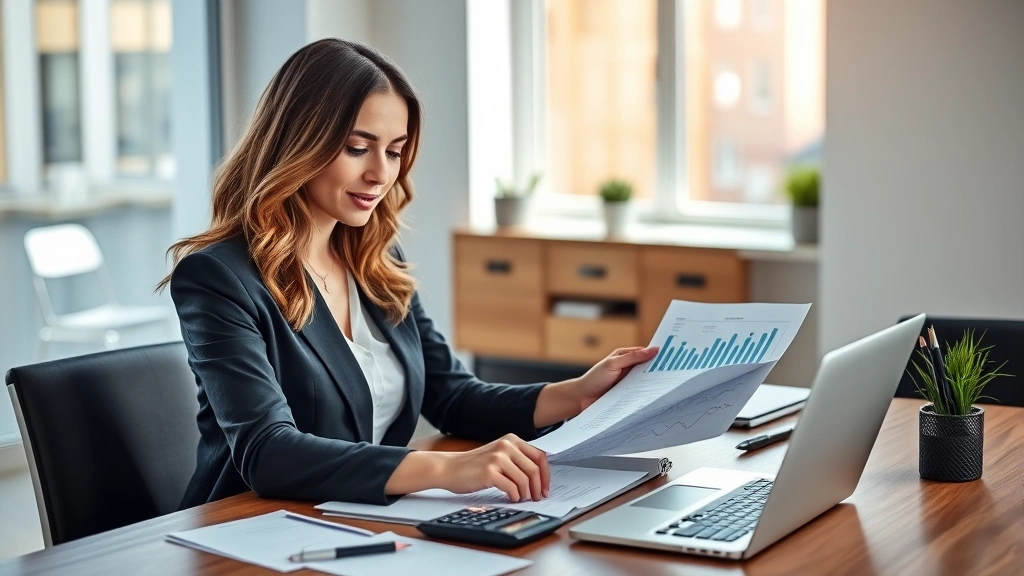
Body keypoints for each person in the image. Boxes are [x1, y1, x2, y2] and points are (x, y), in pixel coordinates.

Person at [161, 39, 658, 510]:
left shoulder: (377, 261)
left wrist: (579, 391)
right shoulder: (218, 277)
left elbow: (455, 397)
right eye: (358, 148)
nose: (381, 174)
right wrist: (445, 469)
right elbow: (268, 452)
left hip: (355, 518)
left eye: (395, 151)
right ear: (299, 144)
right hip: (248, 528)